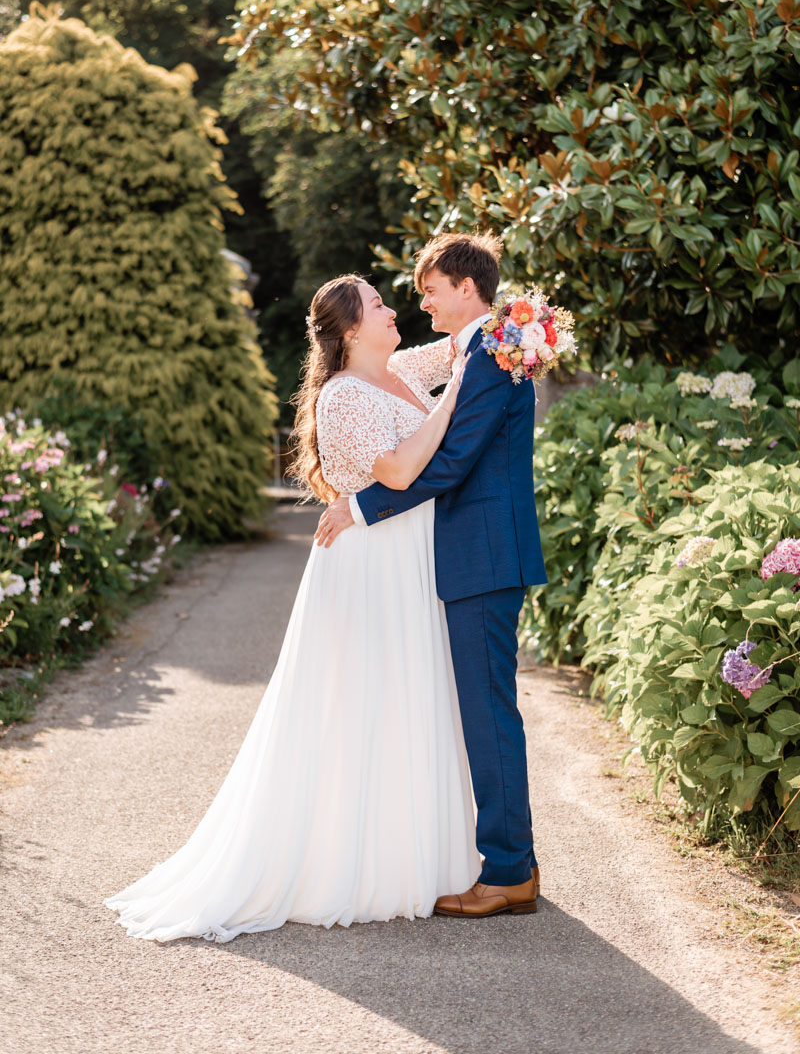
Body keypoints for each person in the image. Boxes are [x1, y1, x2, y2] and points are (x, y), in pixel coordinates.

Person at [104, 273, 482, 941]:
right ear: (350, 330)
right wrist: (451, 400)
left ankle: (419, 854)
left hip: (412, 560)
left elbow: (463, 345)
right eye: (378, 304)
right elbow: (397, 472)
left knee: (412, 695)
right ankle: (357, 864)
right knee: (362, 705)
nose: (392, 309)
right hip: (369, 568)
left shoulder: (399, 369)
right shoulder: (342, 397)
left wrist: (520, 324)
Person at [315, 231, 547, 918]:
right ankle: (512, 863)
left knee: (487, 713)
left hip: (482, 554)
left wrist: (362, 506)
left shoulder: (491, 353)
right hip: (476, 553)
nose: (421, 303)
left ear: (465, 288)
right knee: (477, 710)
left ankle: (508, 871)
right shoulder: (485, 347)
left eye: (431, 290)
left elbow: (451, 463)